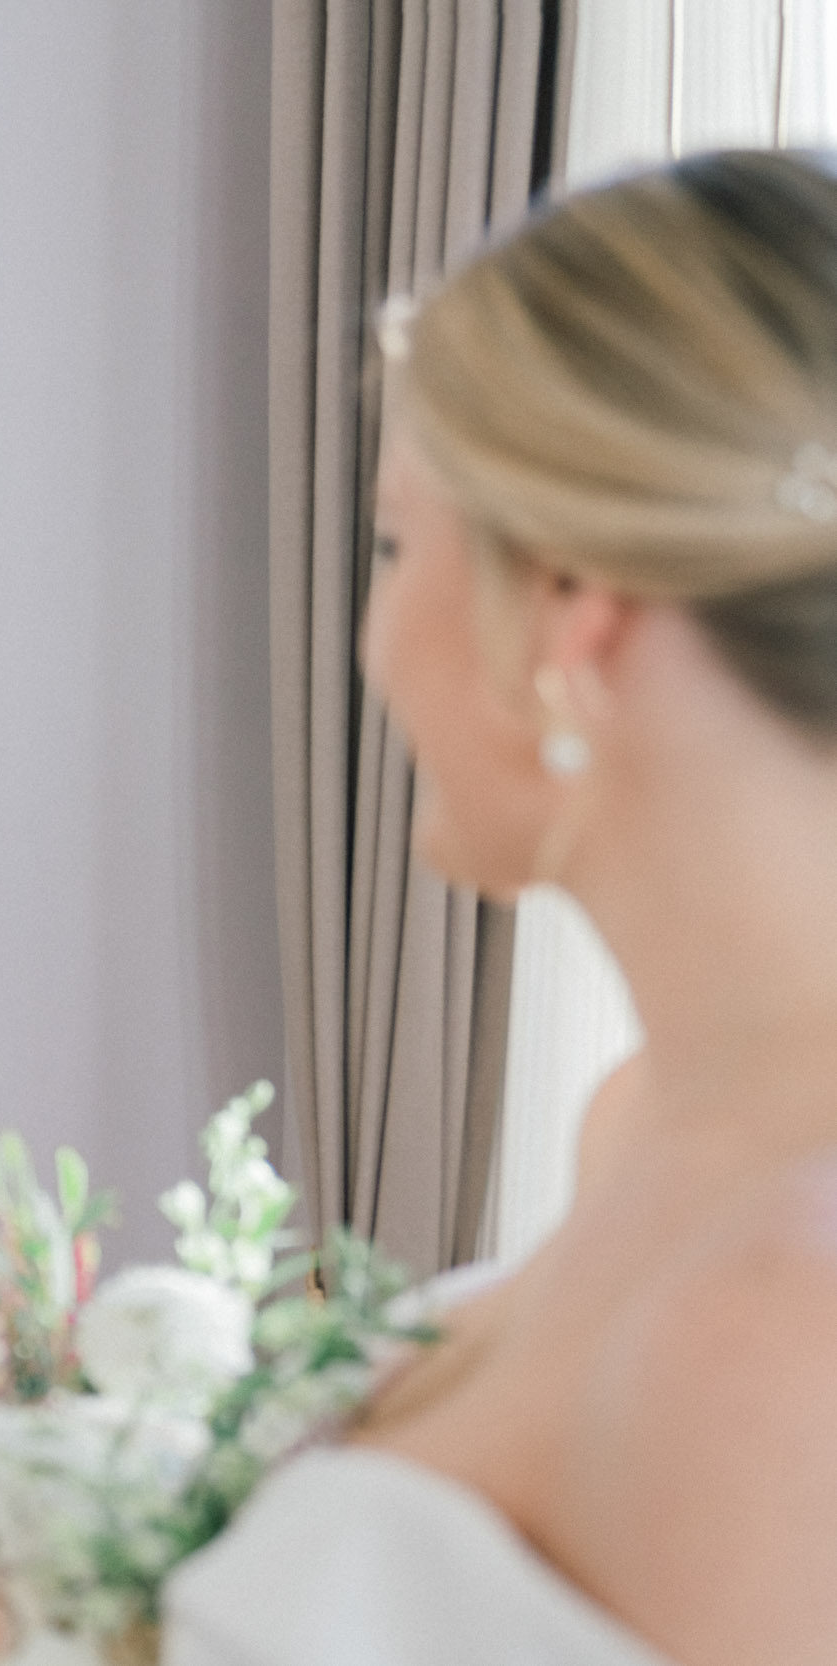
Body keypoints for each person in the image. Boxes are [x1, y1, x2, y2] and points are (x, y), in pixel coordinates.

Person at [164, 150, 837, 1666]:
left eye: (398, 543)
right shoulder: (637, 1117)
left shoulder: (786, 1327)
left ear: (561, 612)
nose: (372, 638)